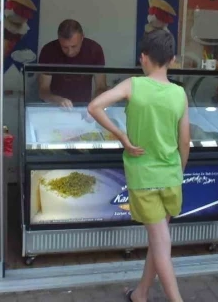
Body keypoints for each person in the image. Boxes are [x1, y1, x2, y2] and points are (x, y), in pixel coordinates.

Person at [87, 29, 190, 302]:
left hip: (145, 179)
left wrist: (122, 136)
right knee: (159, 242)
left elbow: (94, 106)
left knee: (160, 244)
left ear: (143, 57)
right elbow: (185, 141)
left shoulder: (133, 85)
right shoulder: (179, 93)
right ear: (172, 59)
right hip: (171, 176)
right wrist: (179, 171)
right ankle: (140, 294)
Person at [38, 19, 107, 108]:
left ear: (82, 37)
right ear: (59, 39)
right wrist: (56, 100)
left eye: (74, 46)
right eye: (65, 47)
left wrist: (94, 104)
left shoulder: (94, 50)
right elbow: (43, 90)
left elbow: (101, 87)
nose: (70, 52)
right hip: (54, 107)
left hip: (83, 107)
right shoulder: (48, 51)